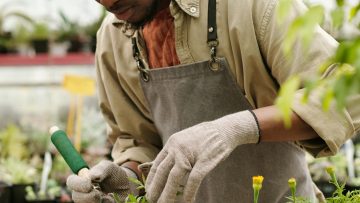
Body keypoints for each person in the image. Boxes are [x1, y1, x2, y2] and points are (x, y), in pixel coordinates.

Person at [66, 0, 360, 202]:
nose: (107, 2)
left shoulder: (247, 6)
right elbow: (138, 141)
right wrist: (126, 178)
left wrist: (236, 128)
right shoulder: (113, 35)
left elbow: (345, 92)